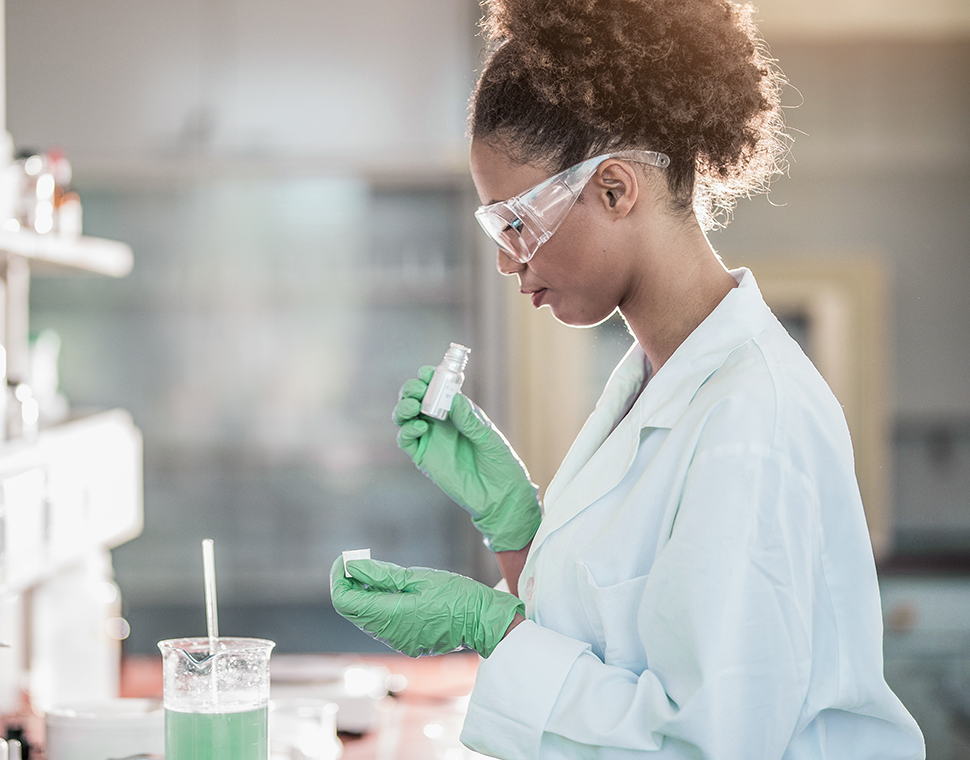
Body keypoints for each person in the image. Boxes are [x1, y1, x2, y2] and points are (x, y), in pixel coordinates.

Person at [329, 0, 926, 757]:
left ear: (614, 189)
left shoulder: (750, 420)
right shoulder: (655, 377)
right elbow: (613, 639)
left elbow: (708, 743)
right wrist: (520, 531)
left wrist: (491, 626)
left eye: (517, 223)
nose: (510, 260)